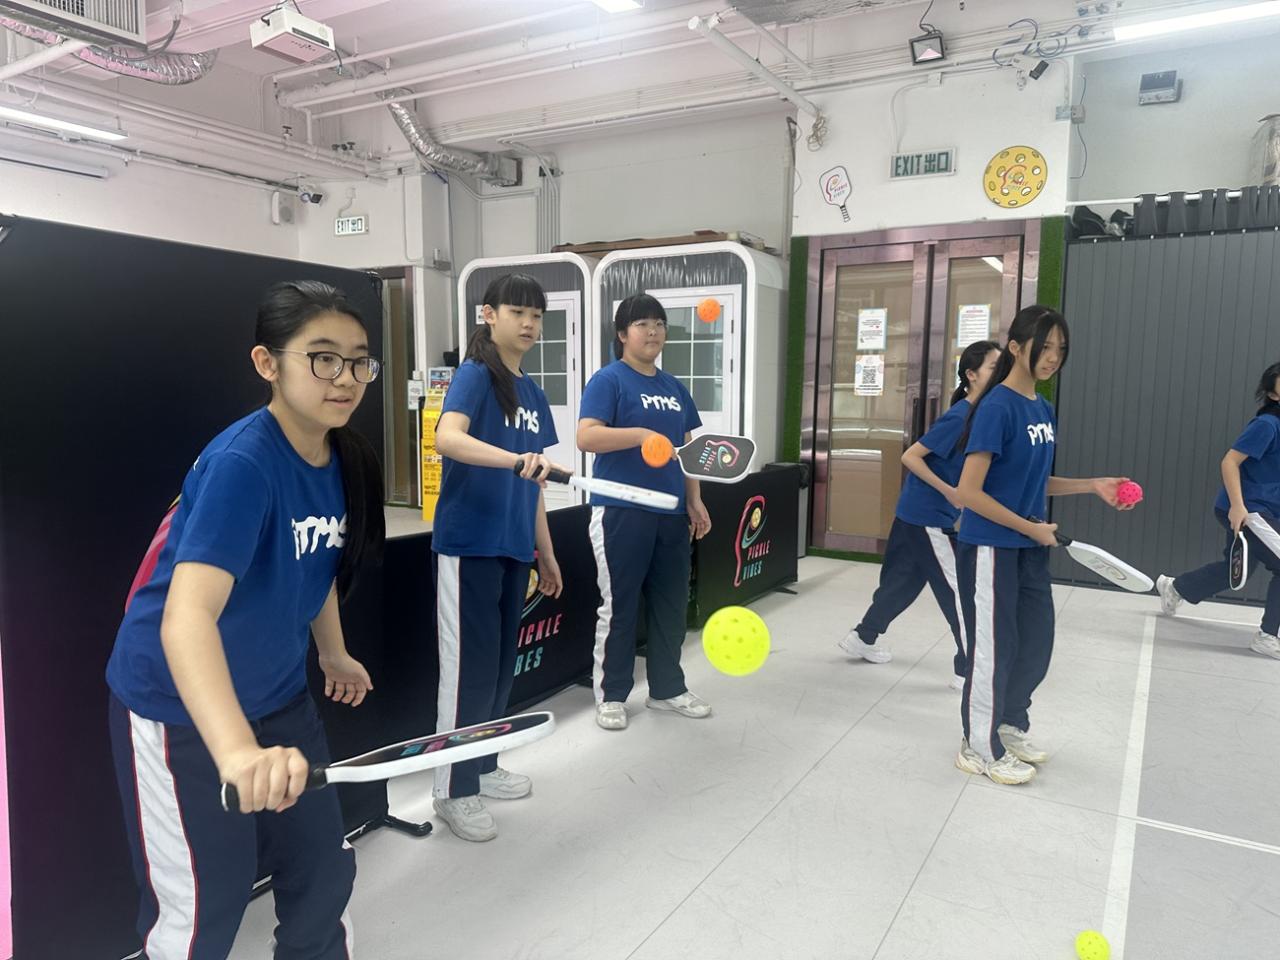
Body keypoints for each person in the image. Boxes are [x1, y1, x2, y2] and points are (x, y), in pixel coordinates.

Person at [105, 280, 384, 959]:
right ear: (268, 363)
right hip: (178, 709)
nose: (345, 378)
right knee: (205, 905)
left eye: (359, 361)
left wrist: (332, 652)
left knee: (323, 873)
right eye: (323, 357)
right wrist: (235, 752)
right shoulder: (244, 463)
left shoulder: (340, 456)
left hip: (279, 698)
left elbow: (315, 561)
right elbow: (185, 619)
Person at [953, 306, 1133, 785]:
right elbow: (969, 492)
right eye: (1045, 346)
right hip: (991, 548)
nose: (1053, 357)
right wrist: (1030, 528)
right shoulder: (997, 406)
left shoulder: (1042, 407)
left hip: (1028, 547)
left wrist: (1091, 485)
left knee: (1035, 643)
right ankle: (978, 746)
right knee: (995, 649)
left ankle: (1009, 724)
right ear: (1015, 347)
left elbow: (1032, 480)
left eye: (1061, 348)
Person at [430, 273, 564, 841]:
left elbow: (535, 484)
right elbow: (447, 438)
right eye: (518, 312)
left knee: (500, 670)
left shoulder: (532, 393)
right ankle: (452, 789)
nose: (529, 324)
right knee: (468, 673)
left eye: (536, 315)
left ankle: (482, 765)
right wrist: (511, 460)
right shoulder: (474, 374)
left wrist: (545, 554)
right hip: (470, 544)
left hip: (514, 547)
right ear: (489, 315)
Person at [578, 293, 712, 732]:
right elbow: (586, 437)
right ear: (622, 334)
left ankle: (667, 689)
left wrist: (694, 500)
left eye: (659, 323)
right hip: (621, 511)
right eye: (642, 324)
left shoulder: (674, 387)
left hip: (670, 514)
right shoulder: (608, 380)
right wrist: (638, 435)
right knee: (620, 607)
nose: (653, 331)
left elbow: (688, 449)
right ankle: (612, 695)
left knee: (671, 605)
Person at [839, 339, 1001, 689]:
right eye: (993, 366)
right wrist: (949, 491)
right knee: (961, 590)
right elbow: (911, 456)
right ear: (972, 375)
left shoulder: (981, 416)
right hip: (929, 518)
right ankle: (968, 670)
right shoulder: (961, 417)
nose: (1000, 372)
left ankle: (863, 637)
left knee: (902, 583)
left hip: (914, 513)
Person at [1157, 361, 1280, 659]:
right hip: (1248, 510)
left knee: (1234, 571)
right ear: (1273, 394)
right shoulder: (1267, 425)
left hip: (1266, 511)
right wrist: (1238, 506)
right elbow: (1230, 461)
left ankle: (1176, 588)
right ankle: (1267, 636)